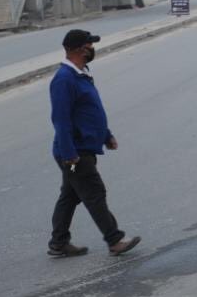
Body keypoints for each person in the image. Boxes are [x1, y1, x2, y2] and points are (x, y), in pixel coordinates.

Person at [48, 29, 141, 257]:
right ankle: (114, 239)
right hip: (74, 155)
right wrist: (70, 153)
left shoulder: (81, 74)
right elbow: (60, 120)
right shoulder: (64, 80)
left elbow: (90, 112)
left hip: (78, 151)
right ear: (80, 49)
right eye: (89, 45)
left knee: (70, 194)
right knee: (94, 192)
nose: (92, 49)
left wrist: (106, 135)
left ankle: (58, 242)